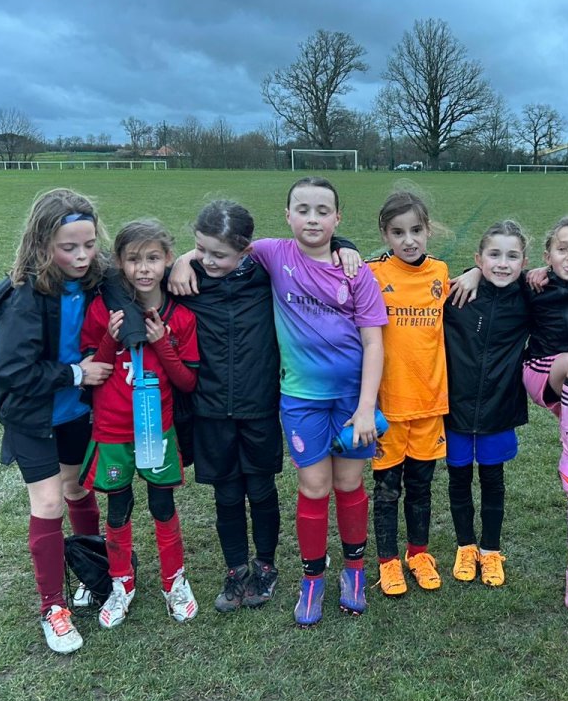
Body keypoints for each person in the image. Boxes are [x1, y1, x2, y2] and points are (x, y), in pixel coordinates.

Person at [452, 215, 568, 612]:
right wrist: (473, 273)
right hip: (547, 374)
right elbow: (498, 271)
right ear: (546, 256)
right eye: (561, 249)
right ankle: (567, 459)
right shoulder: (530, 288)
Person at [244, 177, 386, 626]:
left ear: (337, 218)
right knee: (314, 488)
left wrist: (366, 408)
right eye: (302, 209)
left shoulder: (355, 271)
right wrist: (188, 260)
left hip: (351, 402)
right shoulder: (272, 252)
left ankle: (355, 572)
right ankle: (312, 579)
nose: (312, 218)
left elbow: (374, 344)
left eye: (323, 210)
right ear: (287, 216)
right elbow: (222, 250)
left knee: (348, 485)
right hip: (301, 399)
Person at [0, 188, 112, 655]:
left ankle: (89, 571)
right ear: (42, 245)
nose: (81, 256)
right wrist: (78, 372)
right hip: (32, 416)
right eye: (69, 247)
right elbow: (9, 370)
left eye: (89, 244)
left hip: (76, 412)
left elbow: (149, 262)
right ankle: (52, 607)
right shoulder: (22, 296)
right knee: (49, 501)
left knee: (79, 490)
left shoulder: (99, 277)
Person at [80, 220, 200, 629]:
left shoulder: (180, 317)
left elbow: (187, 381)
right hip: (113, 432)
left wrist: (162, 342)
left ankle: (174, 581)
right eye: (133, 259)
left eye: (152, 258)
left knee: (162, 506)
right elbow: (90, 369)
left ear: (169, 259)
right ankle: (121, 584)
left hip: (156, 431)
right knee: (117, 509)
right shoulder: (103, 310)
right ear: (120, 263)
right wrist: (111, 340)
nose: (143, 268)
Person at [177, 200, 286, 614]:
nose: (208, 260)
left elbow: (317, 252)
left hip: (258, 404)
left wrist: (345, 245)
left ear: (246, 250)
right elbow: (134, 270)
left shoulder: (266, 274)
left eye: (218, 254)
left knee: (260, 489)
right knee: (225, 493)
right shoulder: (187, 280)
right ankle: (236, 569)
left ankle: (266, 565)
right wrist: (184, 261)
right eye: (200, 249)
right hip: (209, 408)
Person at [367, 191, 451, 596]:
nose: (409, 240)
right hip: (387, 407)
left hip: (430, 404)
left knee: (421, 485)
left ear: (428, 230)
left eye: (416, 230)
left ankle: (418, 553)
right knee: (386, 490)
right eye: (398, 232)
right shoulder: (372, 274)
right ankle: (387, 562)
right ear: (385, 234)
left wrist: (470, 273)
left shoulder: (441, 274)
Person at [443, 220, 531, 587]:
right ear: (478, 258)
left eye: (512, 256)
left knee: (493, 480)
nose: (502, 263)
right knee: (459, 478)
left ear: (524, 263)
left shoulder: (529, 297)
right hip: (455, 406)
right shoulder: (457, 295)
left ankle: (491, 550)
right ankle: (466, 546)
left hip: (500, 406)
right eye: (494, 255)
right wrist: (471, 276)